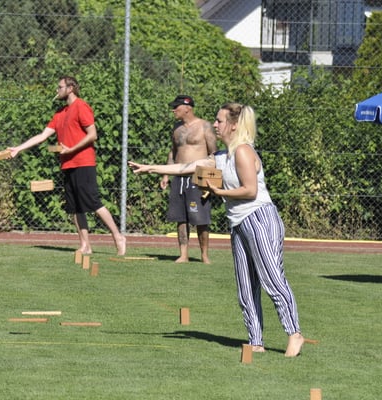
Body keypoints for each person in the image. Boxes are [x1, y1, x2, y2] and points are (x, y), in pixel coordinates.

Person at [129, 103, 304, 357]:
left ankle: (294, 333)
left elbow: (250, 190)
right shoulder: (221, 157)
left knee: (272, 279)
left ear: (233, 125)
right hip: (239, 223)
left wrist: (219, 191)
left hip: (260, 218)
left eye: (219, 121)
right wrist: (151, 168)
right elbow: (186, 167)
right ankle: (255, 341)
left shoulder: (243, 151)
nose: (215, 124)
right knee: (246, 286)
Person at [6, 75, 126, 256]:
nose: (57, 90)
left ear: (70, 88)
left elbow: (92, 134)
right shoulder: (60, 113)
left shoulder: (81, 106)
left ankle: (118, 236)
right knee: (74, 206)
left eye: (59, 87)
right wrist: (18, 149)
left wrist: (72, 149)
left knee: (93, 202)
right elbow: (42, 136)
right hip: (67, 165)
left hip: (84, 162)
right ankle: (85, 245)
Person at [160, 95, 217, 264]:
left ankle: (204, 255)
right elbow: (173, 152)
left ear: (187, 108)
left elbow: (214, 154)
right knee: (180, 218)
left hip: (197, 177)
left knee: (201, 218)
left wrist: (211, 181)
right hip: (178, 176)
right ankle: (183, 254)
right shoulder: (176, 128)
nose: (173, 110)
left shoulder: (204, 126)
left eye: (176, 107)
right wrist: (166, 174)